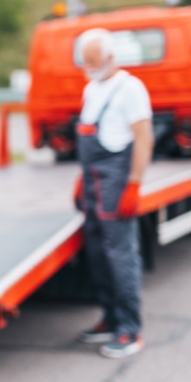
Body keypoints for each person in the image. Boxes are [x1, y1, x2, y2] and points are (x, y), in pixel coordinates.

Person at [73, 28, 154, 358]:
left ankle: (129, 330)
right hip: (93, 182)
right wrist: (81, 179)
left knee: (120, 257)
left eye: (94, 60)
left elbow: (144, 137)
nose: (90, 66)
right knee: (97, 253)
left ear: (110, 56)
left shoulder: (130, 88)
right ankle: (109, 317)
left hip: (116, 182)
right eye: (85, 61)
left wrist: (134, 183)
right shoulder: (91, 89)